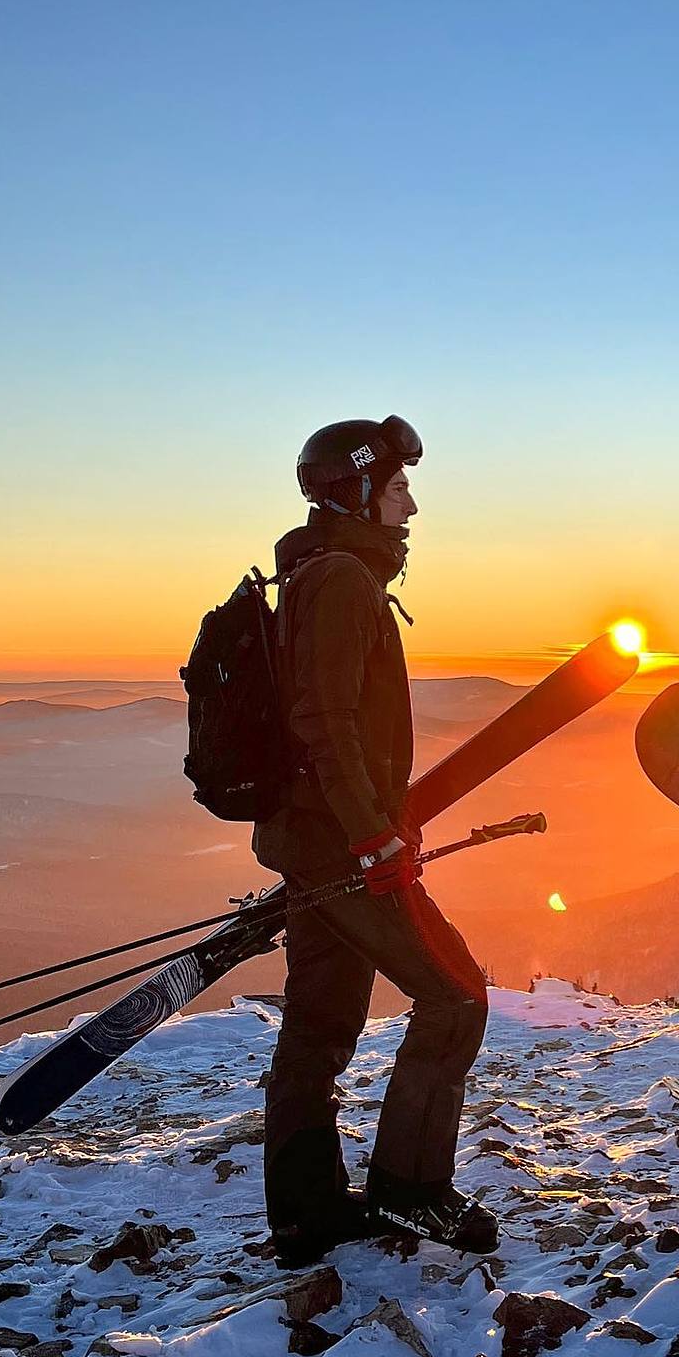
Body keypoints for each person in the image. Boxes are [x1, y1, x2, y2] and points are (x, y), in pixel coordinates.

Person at [253, 416, 497, 1265]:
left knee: (320, 1021)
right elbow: (324, 720)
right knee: (456, 993)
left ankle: (305, 1210)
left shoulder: (314, 574)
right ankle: (411, 1192)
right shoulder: (345, 583)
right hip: (341, 848)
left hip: (314, 839)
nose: (412, 506)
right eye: (398, 490)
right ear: (358, 491)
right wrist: (370, 836)